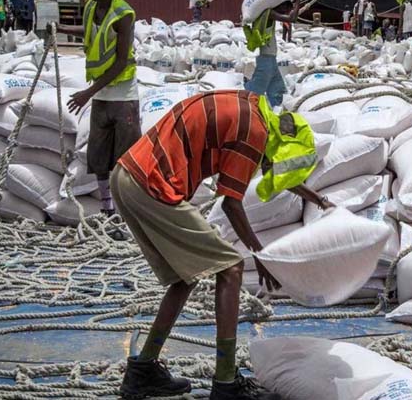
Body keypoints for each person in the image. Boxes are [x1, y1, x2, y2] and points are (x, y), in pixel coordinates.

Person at [113, 89, 333, 400]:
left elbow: (275, 170)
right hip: (151, 184)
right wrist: (261, 254)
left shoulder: (253, 110)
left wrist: (320, 201)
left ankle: (143, 370)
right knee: (232, 268)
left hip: (127, 176)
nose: (268, 168)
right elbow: (231, 203)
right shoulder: (254, 133)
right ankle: (226, 381)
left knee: (183, 279)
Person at [55, 0, 140, 234]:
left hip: (123, 95)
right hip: (101, 95)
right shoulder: (92, 7)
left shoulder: (123, 13)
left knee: (123, 160)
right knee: (99, 157)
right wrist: (61, 28)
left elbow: (120, 62)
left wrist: (86, 94)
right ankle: (107, 210)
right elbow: (89, 32)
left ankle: (125, 216)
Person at [244, 0, 301, 107]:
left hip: (271, 60)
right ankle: (242, 102)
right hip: (266, 61)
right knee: (254, 93)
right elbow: (292, 18)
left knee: (278, 91)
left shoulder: (267, 14)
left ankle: (279, 110)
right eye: (285, 9)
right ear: (280, 5)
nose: (285, 12)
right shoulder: (269, 13)